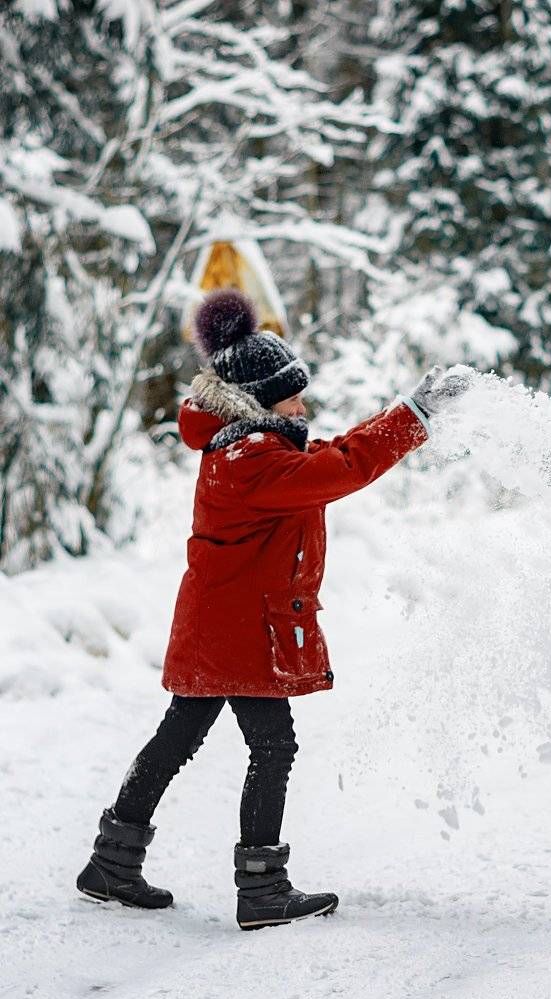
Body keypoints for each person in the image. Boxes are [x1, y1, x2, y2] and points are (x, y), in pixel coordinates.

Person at [76, 289, 469, 930]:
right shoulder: (253, 462)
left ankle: (111, 862)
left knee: (179, 738)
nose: (302, 406)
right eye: (291, 397)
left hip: (217, 625)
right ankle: (261, 888)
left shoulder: (249, 449)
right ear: (259, 400)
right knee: (273, 745)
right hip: (239, 630)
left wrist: (409, 412)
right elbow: (343, 469)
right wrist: (413, 417)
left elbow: (332, 453)